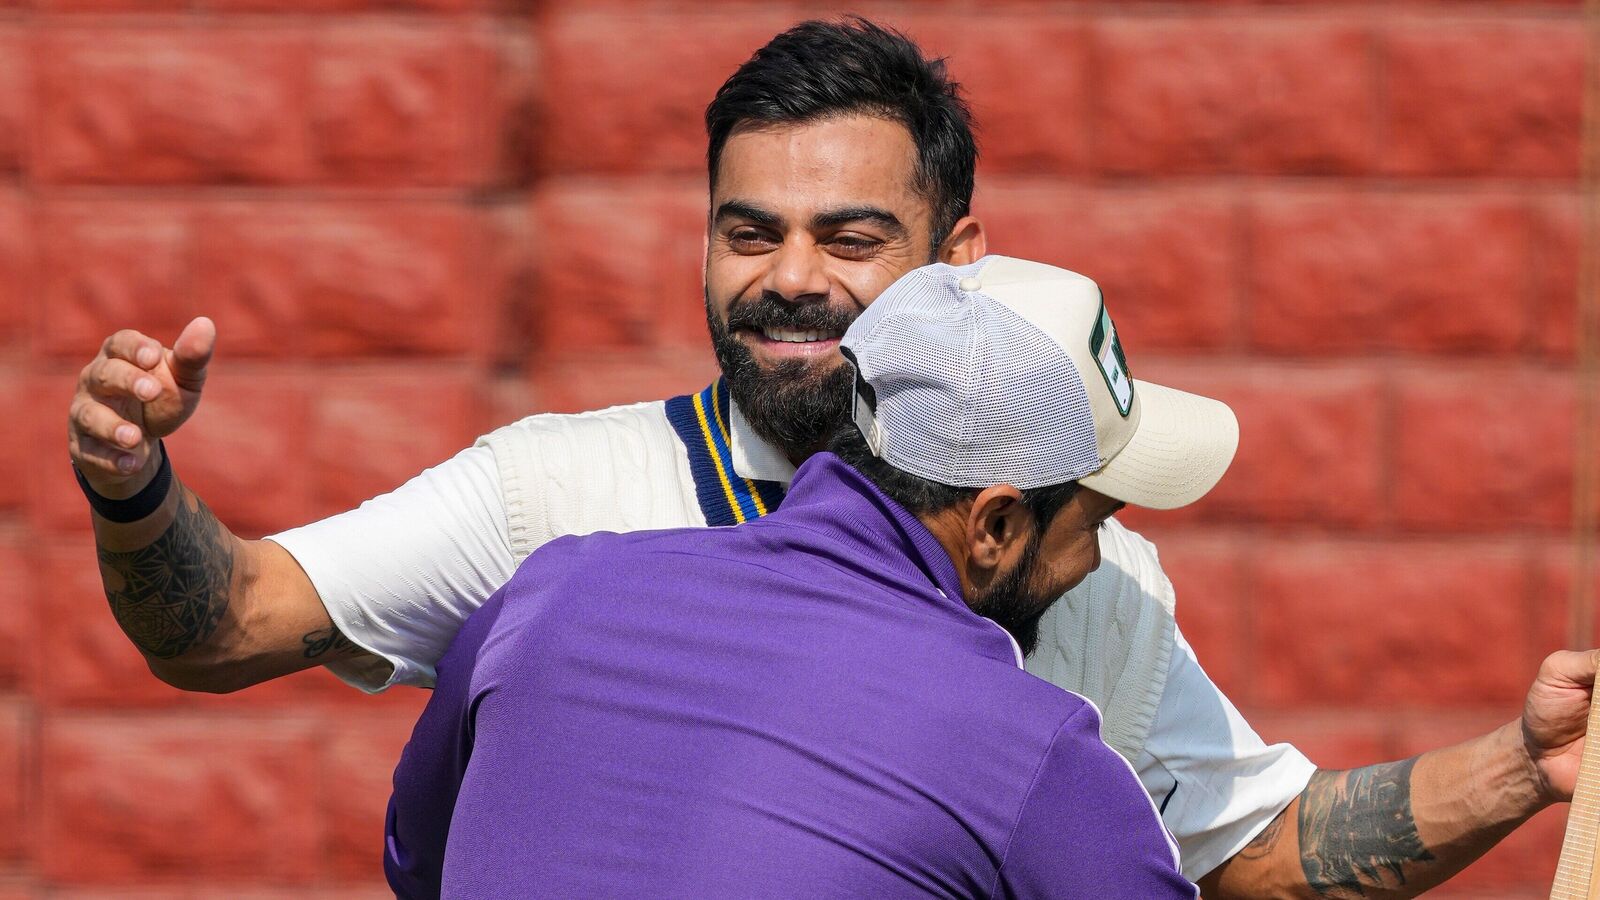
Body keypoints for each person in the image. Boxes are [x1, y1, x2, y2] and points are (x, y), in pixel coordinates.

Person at [66, 17, 1596, 897]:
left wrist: (1524, 770)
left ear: (957, 260)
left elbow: (1249, 842)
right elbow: (233, 626)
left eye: (851, 237)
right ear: (996, 531)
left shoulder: (1097, 577)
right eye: (750, 231)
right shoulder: (548, 513)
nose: (790, 277)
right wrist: (137, 489)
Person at [388, 257, 1207, 898]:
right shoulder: (1038, 754)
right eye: (1093, 521)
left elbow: (419, 857)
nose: (1095, 559)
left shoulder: (553, 593)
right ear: (993, 527)